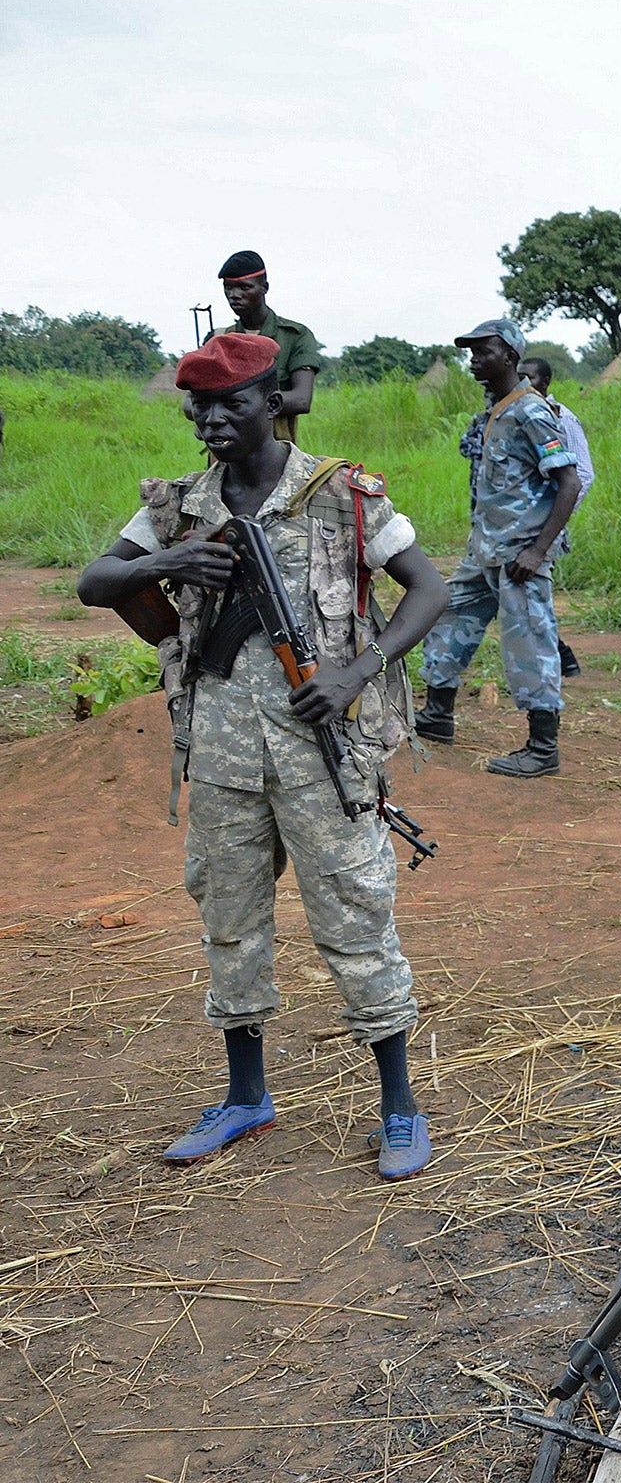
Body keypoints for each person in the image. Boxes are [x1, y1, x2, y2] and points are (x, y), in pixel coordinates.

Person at [76, 332, 450, 1181]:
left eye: (231, 403)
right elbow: (97, 581)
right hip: (218, 752)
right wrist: (173, 560)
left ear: (272, 401)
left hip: (320, 752)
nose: (210, 420)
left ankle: (399, 1106)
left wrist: (359, 670)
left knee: (356, 918)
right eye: (198, 406)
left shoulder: (339, 494)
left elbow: (429, 588)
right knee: (229, 921)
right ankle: (247, 1097)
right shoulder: (178, 506)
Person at [414, 320, 581, 775]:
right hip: (485, 549)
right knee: (449, 617)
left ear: (509, 355)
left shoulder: (531, 411)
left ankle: (543, 749)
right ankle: (437, 714)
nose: (474, 361)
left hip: (520, 555)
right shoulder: (493, 412)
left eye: (483, 352)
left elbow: (569, 483)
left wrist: (537, 551)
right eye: (471, 353)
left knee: (529, 644)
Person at [516, 354, 593, 679]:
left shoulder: (561, 418)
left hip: (543, 530)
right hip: (516, 528)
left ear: (544, 383)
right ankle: (561, 659)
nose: (522, 384)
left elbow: (583, 476)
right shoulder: (516, 413)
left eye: (529, 378)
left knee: (531, 597)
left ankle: (557, 663)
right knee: (526, 598)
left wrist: (553, 521)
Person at [209, 250, 322, 443]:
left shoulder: (294, 336)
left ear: (264, 287)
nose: (234, 295)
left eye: (244, 287)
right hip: (225, 452)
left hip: (275, 452)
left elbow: (301, 400)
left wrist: (235, 404)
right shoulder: (218, 339)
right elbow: (190, 403)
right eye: (228, 288)